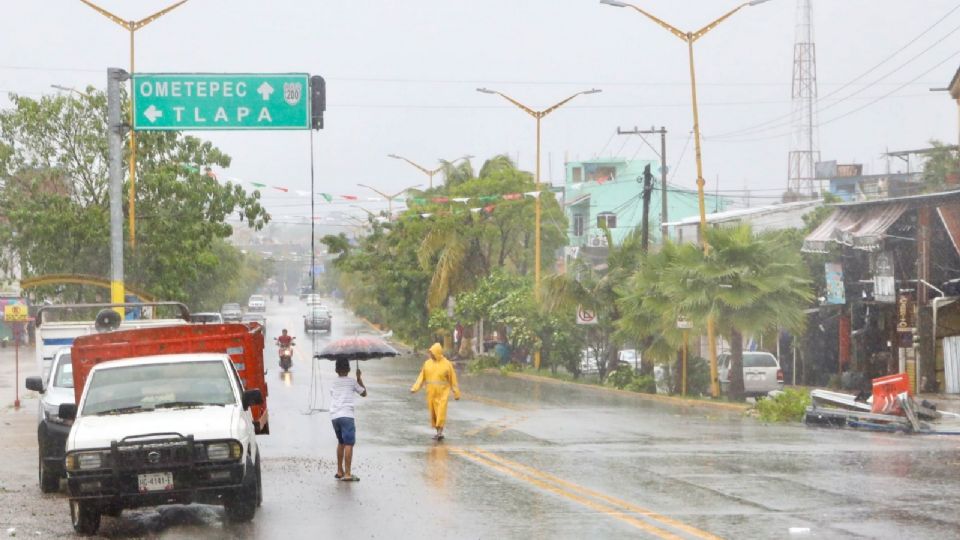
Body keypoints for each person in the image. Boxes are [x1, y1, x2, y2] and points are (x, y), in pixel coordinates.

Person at [410, 343, 461, 440]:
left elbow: (453, 380)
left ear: (437, 353)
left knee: (441, 412)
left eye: (432, 353)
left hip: (442, 393)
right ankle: (438, 431)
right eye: (430, 353)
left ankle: (440, 433)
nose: (431, 355)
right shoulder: (427, 364)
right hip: (431, 393)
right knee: (434, 414)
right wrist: (415, 388)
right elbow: (421, 377)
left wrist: (456, 393)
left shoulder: (447, 364)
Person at [330, 358, 366, 481]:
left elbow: (333, 394)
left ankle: (340, 471)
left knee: (341, 442)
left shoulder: (334, 382)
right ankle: (348, 474)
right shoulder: (352, 382)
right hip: (347, 416)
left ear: (336, 370)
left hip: (335, 417)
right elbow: (363, 393)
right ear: (349, 369)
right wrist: (359, 378)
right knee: (349, 444)